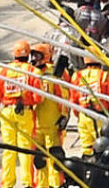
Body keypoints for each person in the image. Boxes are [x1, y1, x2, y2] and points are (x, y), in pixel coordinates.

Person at [0, 40, 43, 188]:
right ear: (28, 55)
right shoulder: (33, 72)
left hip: (6, 112)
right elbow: (39, 97)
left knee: (9, 149)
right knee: (25, 149)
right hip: (25, 113)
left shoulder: (2, 71)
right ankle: (27, 182)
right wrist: (28, 101)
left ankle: (7, 183)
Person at [30, 42, 68, 188]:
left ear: (45, 56)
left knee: (55, 158)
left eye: (37, 55)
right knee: (39, 160)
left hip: (53, 124)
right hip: (37, 125)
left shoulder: (52, 74)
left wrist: (64, 115)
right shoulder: (31, 73)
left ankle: (56, 184)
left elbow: (62, 95)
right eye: (32, 55)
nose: (34, 58)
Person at [70, 48, 109, 156]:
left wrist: (78, 114)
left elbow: (73, 99)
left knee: (86, 148)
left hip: (83, 116)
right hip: (99, 116)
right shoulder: (103, 76)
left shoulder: (77, 76)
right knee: (101, 146)